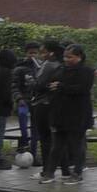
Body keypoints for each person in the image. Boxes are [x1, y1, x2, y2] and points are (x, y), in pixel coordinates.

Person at [40, 44, 93, 185]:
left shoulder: (86, 71)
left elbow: (82, 89)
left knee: (76, 145)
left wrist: (61, 86)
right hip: (59, 113)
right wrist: (50, 86)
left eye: (70, 57)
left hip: (78, 114)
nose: (66, 59)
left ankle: (77, 173)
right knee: (57, 145)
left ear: (79, 57)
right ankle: (49, 173)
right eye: (65, 56)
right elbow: (50, 83)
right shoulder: (61, 69)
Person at [31, 40, 69, 178]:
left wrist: (32, 81)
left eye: (43, 52)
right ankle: (65, 170)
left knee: (45, 138)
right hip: (56, 104)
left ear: (50, 52)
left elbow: (39, 84)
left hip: (42, 104)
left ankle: (47, 170)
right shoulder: (61, 65)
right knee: (58, 139)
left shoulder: (48, 65)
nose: (41, 55)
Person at [12, 41, 41, 161]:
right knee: (23, 120)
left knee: (36, 129)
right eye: (30, 53)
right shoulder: (19, 68)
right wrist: (19, 98)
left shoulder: (41, 67)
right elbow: (13, 86)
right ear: (26, 53)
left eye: (35, 53)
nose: (33, 55)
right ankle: (24, 143)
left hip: (37, 101)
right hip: (24, 100)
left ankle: (33, 155)